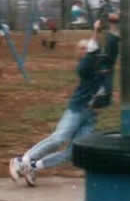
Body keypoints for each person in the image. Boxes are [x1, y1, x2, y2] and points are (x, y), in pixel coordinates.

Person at [10, 19, 116, 186]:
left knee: (73, 153)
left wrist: (113, 28)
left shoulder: (102, 65)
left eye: (85, 47)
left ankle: (33, 166)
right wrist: (95, 31)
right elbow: (93, 49)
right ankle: (21, 160)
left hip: (91, 116)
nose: (85, 49)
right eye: (81, 48)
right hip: (78, 110)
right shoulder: (84, 68)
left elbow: (109, 51)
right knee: (59, 138)